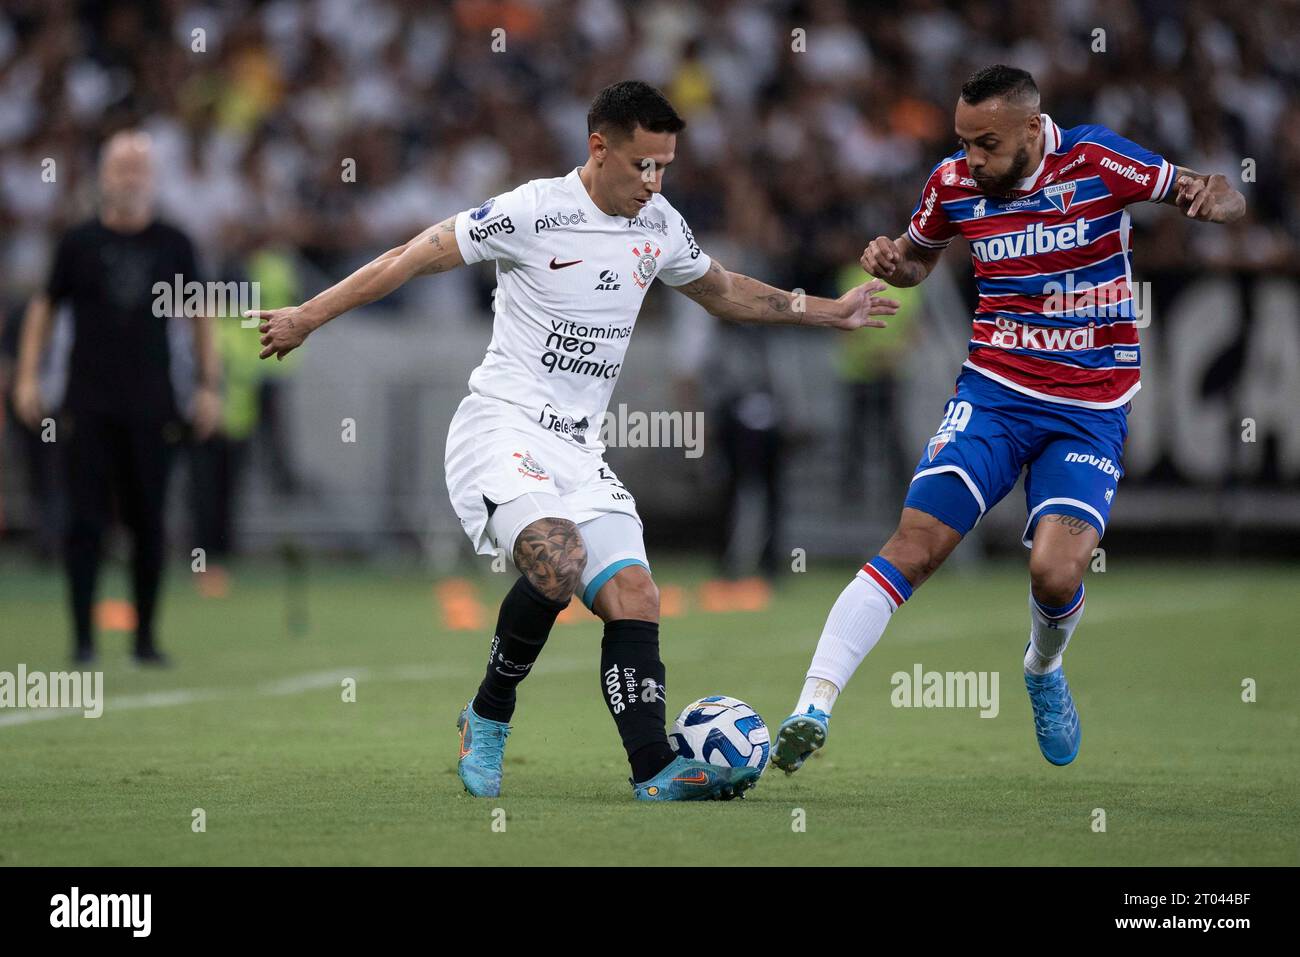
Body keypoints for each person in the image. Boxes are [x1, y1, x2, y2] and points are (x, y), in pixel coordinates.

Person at [248, 80, 898, 801]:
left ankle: (653, 768)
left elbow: (724, 289)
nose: (653, 182)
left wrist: (826, 310)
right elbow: (412, 254)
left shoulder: (659, 224)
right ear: (598, 147)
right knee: (559, 563)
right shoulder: (535, 210)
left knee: (636, 592)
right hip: (501, 429)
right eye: (642, 165)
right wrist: (309, 314)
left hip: (580, 451)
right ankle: (488, 714)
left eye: (665, 166)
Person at [773, 65, 1245, 773]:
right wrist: (888, 260)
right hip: (994, 392)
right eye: (963, 143)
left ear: (1033, 128)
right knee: (915, 543)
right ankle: (812, 703)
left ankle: (1042, 669)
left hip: (1090, 408)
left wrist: (1217, 197)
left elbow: (1214, 191)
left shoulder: (1098, 159)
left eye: (986, 144)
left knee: (1054, 575)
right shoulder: (952, 184)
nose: (973, 160)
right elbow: (916, 262)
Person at [12, 131, 220, 665]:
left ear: (152, 178)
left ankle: (144, 639)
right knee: (83, 523)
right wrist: (28, 377)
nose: (129, 178)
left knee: (149, 522)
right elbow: (44, 307)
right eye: (120, 168)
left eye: (138, 168)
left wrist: (207, 386)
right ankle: (82, 639)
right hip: (87, 404)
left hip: (153, 404)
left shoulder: (174, 242)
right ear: (103, 176)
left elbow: (201, 317)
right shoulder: (77, 242)